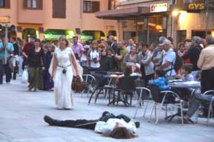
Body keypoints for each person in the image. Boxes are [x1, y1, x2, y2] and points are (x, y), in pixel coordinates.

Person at [43, 111, 139, 139]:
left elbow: (98, 125)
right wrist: (122, 118)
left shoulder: (107, 128)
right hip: (115, 116)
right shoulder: (129, 128)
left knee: (79, 123)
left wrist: (107, 118)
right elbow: (132, 124)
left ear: (114, 129)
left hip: (104, 120)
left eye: (117, 125)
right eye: (120, 125)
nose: (119, 124)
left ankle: (55, 122)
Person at [50, 36, 79, 109]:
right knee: (58, 86)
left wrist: (77, 72)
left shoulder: (69, 50)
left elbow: (74, 62)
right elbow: (54, 63)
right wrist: (53, 72)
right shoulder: (56, 50)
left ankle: (67, 104)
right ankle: (60, 103)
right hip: (59, 69)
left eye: (63, 40)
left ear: (66, 42)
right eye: (60, 40)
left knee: (66, 87)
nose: (62, 42)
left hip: (68, 70)